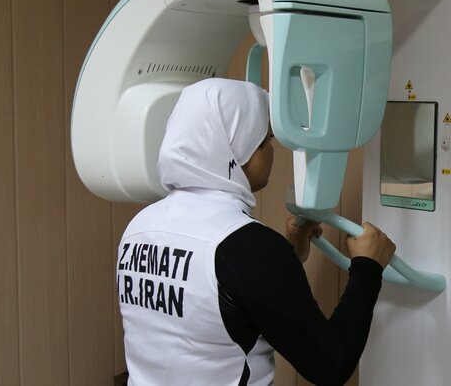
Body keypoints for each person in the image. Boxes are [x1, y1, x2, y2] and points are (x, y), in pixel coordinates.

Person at [116, 78, 396, 386]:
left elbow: (212, 305)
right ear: (238, 153)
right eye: (266, 141)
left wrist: (287, 255)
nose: (272, 152)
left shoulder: (139, 227)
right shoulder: (251, 248)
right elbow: (332, 367)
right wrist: (368, 267)